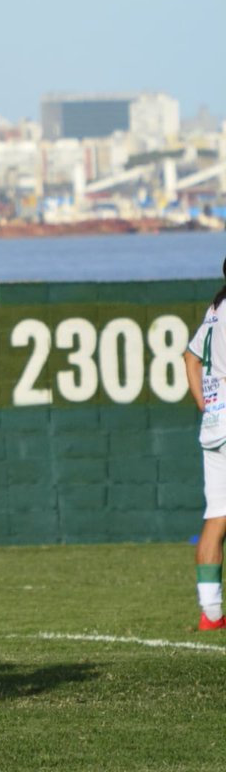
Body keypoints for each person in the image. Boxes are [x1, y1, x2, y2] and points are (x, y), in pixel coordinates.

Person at [186, 257, 226, 631]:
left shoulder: (215, 310)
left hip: (214, 425)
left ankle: (211, 614)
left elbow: (190, 357)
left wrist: (205, 404)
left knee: (217, 517)